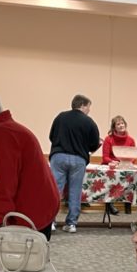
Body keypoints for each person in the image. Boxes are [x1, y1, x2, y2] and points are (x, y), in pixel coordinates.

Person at [0, 89, 60, 237]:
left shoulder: (2, 133)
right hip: (40, 203)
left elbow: (5, 184)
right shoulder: (4, 129)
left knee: (28, 257)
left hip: (35, 208)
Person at [48, 94, 101, 233]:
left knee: (55, 190)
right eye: (89, 107)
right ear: (83, 105)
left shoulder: (60, 117)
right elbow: (94, 144)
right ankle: (71, 223)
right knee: (75, 191)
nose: (89, 110)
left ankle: (50, 222)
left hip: (58, 156)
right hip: (79, 159)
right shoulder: (89, 122)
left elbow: (51, 136)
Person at [100, 115, 136, 216]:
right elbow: (105, 157)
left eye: (122, 123)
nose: (121, 125)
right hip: (112, 166)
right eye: (118, 124)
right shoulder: (108, 139)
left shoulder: (131, 140)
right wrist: (113, 162)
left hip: (125, 166)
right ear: (114, 127)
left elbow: (132, 156)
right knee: (111, 179)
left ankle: (127, 203)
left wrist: (126, 162)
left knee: (130, 179)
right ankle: (110, 204)